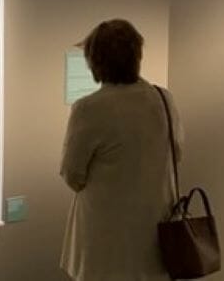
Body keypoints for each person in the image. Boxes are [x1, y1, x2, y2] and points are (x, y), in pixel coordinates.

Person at [60, 19, 183, 281]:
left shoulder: (88, 108)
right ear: (136, 55)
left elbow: (72, 174)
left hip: (105, 239)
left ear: (95, 61)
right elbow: (177, 154)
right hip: (155, 235)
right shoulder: (163, 99)